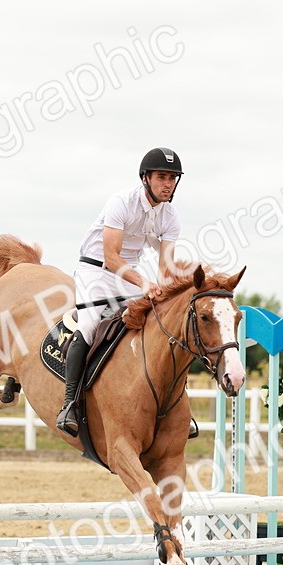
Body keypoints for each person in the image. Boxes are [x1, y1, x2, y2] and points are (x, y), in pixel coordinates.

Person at [56, 147, 184, 436]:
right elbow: (111, 256)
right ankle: (69, 404)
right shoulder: (121, 202)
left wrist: (168, 295)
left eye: (173, 178)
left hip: (128, 275)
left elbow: (166, 268)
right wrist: (144, 284)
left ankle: (170, 405)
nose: (168, 184)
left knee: (157, 324)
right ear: (145, 178)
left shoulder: (171, 216)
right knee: (90, 325)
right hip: (96, 270)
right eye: (162, 177)